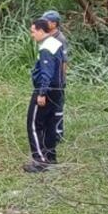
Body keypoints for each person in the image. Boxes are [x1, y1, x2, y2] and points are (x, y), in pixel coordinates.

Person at [24, 18, 65, 173]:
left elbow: (46, 73)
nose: (32, 35)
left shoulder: (46, 48)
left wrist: (42, 93)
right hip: (57, 90)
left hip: (46, 91)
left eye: (33, 32)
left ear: (41, 31)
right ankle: (51, 158)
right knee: (50, 125)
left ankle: (39, 160)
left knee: (34, 125)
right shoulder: (57, 44)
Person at [42, 10, 68, 142]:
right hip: (48, 79)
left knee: (57, 107)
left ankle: (58, 134)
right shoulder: (47, 36)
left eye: (46, 21)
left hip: (57, 80)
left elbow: (64, 61)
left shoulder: (60, 39)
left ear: (54, 23)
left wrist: (61, 79)